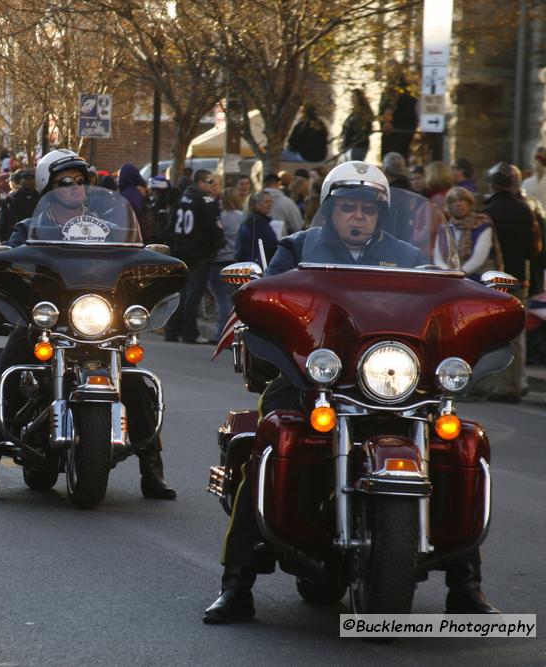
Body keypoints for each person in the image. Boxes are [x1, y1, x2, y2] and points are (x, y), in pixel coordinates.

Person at [204, 161, 497, 625]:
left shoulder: (411, 257)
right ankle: (236, 584)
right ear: (330, 210)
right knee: (264, 441)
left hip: (393, 382)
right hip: (311, 381)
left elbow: (441, 303)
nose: (358, 218)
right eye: (347, 209)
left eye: (367, 210)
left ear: (381, 214)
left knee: (458, 446)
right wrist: (260, 298)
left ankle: (466, 584)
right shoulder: (296, 250)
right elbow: (268, 302)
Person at [0, 148, 177, 501]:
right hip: (45, 322)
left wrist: (147, 261)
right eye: (66, 182)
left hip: (98, 323)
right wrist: (3, 259)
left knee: (137, 385)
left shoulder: (107, 229)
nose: (76, 188)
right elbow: (13, 261)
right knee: (3, 375)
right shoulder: (29, 228)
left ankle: (152, 470)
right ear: (49, 186)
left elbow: (129, 260)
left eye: (81, 181)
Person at [480, 162, 538, 403]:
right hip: (519, 277)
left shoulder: (488, 211)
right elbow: (534, 248)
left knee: (495, 333)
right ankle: (517, 381)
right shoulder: (527, 209)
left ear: (493, 184)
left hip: (494, 279)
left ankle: (501, 385)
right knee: (516, 332)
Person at [165, 170, 224, 344]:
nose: (213, 185)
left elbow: (171, 226)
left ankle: (172, 330)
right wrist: (216, 245)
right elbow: (215, 230)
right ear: (200, 182)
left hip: (180, 251)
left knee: (182, 293)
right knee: (193, 294)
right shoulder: (206, 202)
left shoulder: (181, 199)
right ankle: (190, 333)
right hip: (199, 253)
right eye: (210, 181)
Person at [434, 186, 502, 279]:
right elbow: (438, 257)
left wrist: (461, 273)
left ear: (469, 203)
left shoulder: (482, 223)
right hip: (450, 278)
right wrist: (447, 271)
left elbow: (479, 258)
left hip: (479, 277)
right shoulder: (444, 228)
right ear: (449, 206)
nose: (458, 204)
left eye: (462, 200)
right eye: (454, 201)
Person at [208, 187, 245, 340]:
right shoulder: (242, 217)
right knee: (232, 300)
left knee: (222, 299)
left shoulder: (220, 217)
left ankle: (221, 334)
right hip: (236, 262)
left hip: (219, 260)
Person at [0, 168, 39, 243]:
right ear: (20, 180)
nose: (29, 181)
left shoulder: (40, 197)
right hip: (16, 238)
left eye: (32, 178)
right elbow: (2, 221)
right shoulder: (12, 198)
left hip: (36, 238)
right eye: (26, 178)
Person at [234, 191, 278, 264]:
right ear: (256, 204)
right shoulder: (257, 222)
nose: (270, 204)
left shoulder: (254, 220)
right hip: (255, 265)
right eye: (266, 202)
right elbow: (272, 244)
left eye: (271, 202)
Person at [341, 89, 373, 161]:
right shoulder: (354, 112)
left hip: (358, 146)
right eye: (351, 97)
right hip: (350, 146)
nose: (351, 99)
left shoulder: (363, 112)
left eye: (353, 96)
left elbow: (365, 129)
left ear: (359, 98)